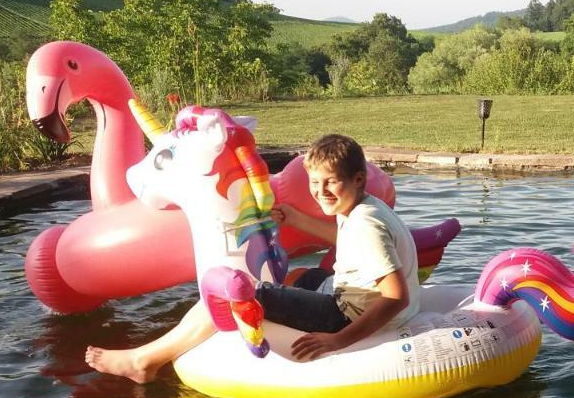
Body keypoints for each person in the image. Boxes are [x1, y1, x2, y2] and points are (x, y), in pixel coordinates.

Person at [86, 134, 419, 383]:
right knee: (302, 277)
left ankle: (144, 361)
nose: (321, 191)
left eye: (331, 181)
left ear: (358, 178)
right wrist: (296, 219)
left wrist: (338, 340)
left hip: (348, 316)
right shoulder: (365, 205)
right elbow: (348, 241)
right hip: (350, 292)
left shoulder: (365, 224)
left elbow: (395, 296)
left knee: (230, 294)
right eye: (315, 182)